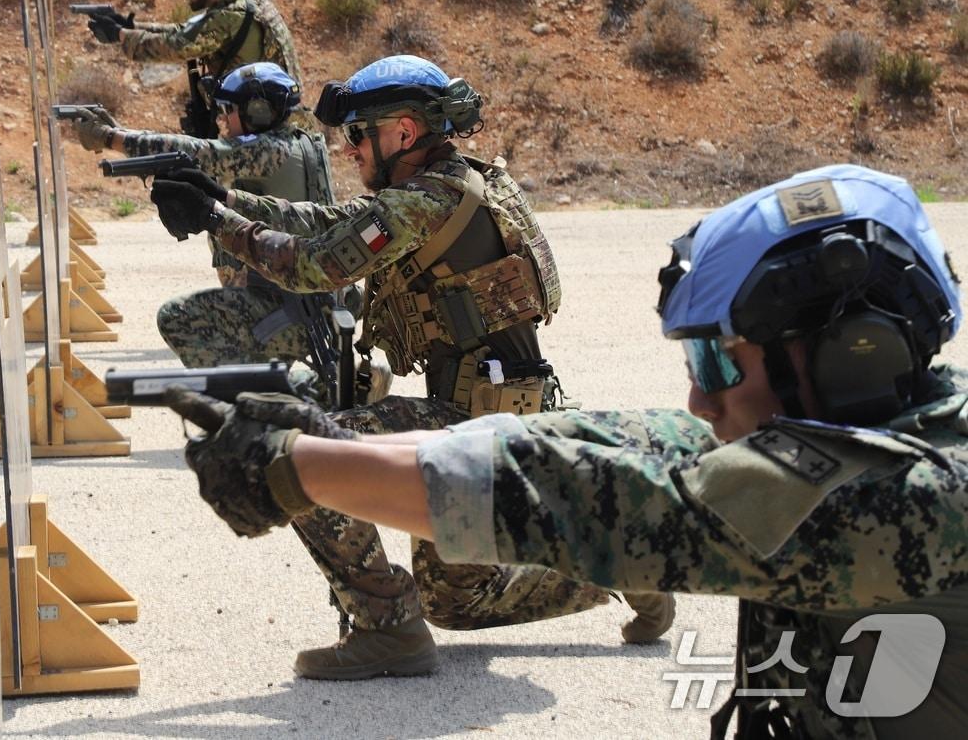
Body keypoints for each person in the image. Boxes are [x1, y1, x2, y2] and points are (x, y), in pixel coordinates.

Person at [171, 163, 967, 737]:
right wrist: (327, 440)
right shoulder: (887, 427)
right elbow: (607, 444)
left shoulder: (919, 499)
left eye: (723, 362)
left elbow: (614, 498)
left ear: (849, 354)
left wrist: (296, 464)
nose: (702, 399)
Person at [149, 54, 665, 679]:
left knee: (299, 453)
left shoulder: (428, 201)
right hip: (499, 420)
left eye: (359, 134)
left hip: (471, 426)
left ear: (403, 132)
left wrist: (217, 222)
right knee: (455, 600)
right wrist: (226, 199)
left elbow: (317, 265)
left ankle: (385, 626)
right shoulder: (453, 184)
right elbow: (334, 225)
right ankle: (619, 564)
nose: (350, 149)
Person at [67, 63, 336, 379]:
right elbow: (205, 153)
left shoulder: (270, 151)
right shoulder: (299, 142)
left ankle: (258, 394)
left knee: (177, 317)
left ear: (258, 111)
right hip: (305, 302)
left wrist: (112, 138)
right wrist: (127, 135)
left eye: (228, 110)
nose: (223, 119)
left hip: (293, 311)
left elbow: (199, 152)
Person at [85, 0, 300, 137]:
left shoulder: (228, 18)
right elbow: (186, 31)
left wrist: (119, 35)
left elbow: (177, 46)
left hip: (264, 126)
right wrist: (132, 27)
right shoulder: (246, 5)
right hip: (270, 116)